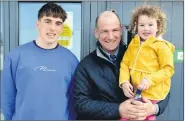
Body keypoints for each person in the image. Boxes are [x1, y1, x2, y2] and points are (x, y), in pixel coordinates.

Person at [74, 10, 170, 120]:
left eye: (115, 30)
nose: (110, 36)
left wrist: (153, 108)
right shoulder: (85, 65)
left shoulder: (137, 53)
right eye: (104, 31)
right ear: (96, 33)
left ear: (121, 30)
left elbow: (164, 87)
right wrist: (118, 109)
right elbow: (81, 104)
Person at [1, 2, 79, 120]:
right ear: (38, 24)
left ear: (62, 28)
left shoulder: (71, 60)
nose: (52, 28)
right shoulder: (16, 56)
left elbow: (74, 101)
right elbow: (7, 98)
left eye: (58, 23)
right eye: (47, 21)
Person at [119, 5, 174, 120]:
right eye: (142, 25)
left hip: (152, 95)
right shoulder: (133, 43)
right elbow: (125, 63)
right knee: (128, 117)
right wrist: (124, 81)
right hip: (137, 93)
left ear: (158, 26)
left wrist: (150, 78)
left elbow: (168, 69)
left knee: (143, 116)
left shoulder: (161, 46)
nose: (146, 29)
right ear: (136, 26)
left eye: (150, 24)